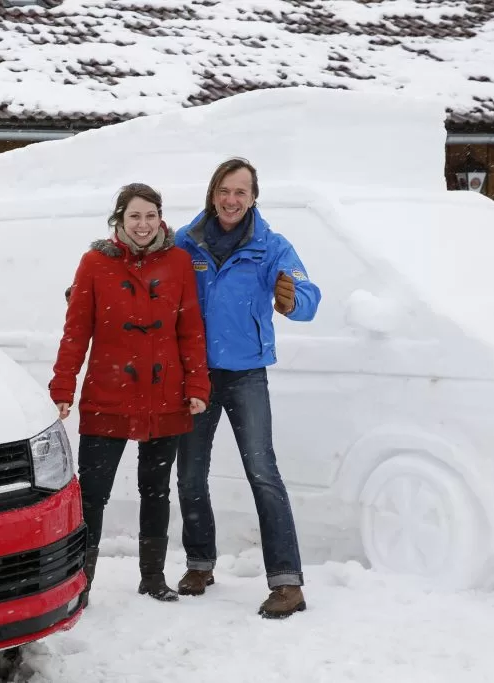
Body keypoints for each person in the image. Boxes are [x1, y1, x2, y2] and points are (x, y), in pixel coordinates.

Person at [173, 158, 321, 619]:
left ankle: (287, 582)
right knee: (191, 473)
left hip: (246, 372)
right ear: (212, 193)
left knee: (262, 471)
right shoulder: (186, 241)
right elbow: (147, 273)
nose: (231, 200)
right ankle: (199, 564)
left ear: (254, 197)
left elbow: (307, 295)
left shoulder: (271, 247)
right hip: (195, 372)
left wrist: (294, 300)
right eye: (224, 190)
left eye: (241, 192)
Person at [50, 182, 211, 605]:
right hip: (108, 394)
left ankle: (152, 577)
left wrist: (196, 385)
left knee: (156, 489)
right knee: (93, 492)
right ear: (119, 219)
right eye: (135, 216)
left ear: (161, 218)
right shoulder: (93, 263)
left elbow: (191, 330)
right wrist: (63, 385)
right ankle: (79, 581)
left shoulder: (178, 262)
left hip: (164, 396)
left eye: (151, 215)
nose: (143, 224)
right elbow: (76, 331)